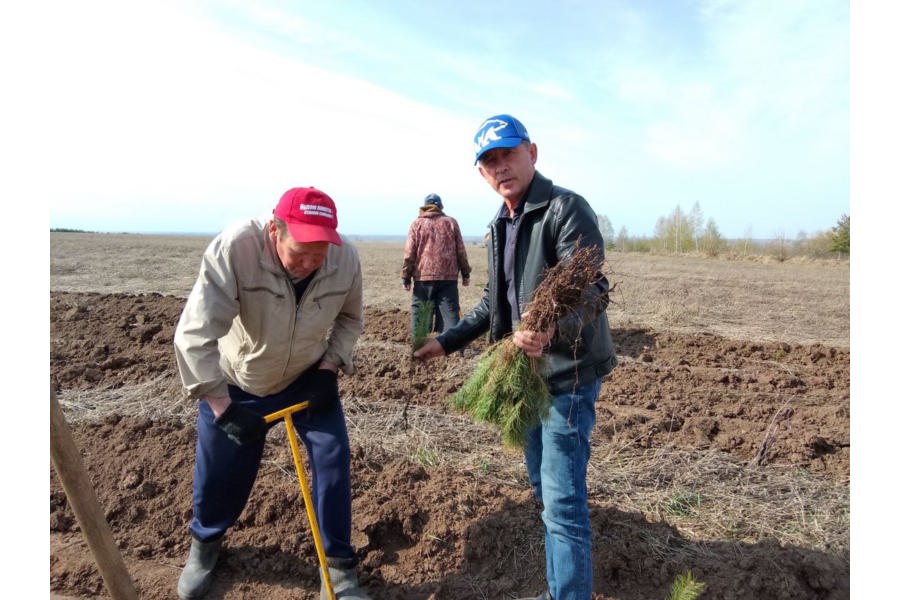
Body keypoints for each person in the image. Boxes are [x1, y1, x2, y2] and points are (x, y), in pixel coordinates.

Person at [414, 115, 617, 600]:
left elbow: (592, 292)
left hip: (566, 377)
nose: (500, 167)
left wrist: (551, 329)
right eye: (490, 161)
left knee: (563, 504)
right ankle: (559, 590)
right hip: (524, 378)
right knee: (546, 494)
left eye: (508, 154)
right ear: (482, 172)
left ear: (532, 152)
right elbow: (492, 303)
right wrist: (445, 341)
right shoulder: (499, 224)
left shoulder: (565, 208)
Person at [173, 187, 371, 600]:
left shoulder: (344, 258)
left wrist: (329, 368)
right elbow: (194, 335)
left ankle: (338, 569)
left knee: (333, 459)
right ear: (274, 231)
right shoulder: (237, 249)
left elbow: (351, 319)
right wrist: (222, 407)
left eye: (319, 254)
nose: (310, 263)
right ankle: (204, 546)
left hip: (308, 377)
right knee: (220, 471)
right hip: (239, 382)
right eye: (301, 252)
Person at [401, 192, 471, 335]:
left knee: (421, 315)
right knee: (450, 314)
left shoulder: (416, 224)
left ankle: (419, 349)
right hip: (448, 278)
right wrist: (465, 273)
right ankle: (454, 350)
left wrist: (405, 276)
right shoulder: (451, 222)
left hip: (423, 279)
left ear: (425, 207)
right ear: (440, 207)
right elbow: (461, 251)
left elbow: (409, 253)